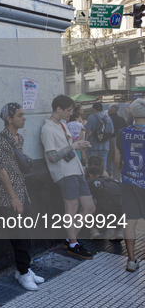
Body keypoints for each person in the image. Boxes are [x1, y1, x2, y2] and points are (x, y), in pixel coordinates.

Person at [0, 103, 44, 291]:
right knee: (19, 237)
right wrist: (13, 198)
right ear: (9, 118)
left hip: (23, 191)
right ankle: (23, 274)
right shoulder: (0, 142)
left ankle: (24, 269)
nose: (24, 118)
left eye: (23, 114)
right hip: (9, 198)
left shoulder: (18, 138)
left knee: (26, 234)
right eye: (20, 115)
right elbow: (1, 171)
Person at [40, 95, 95, 259]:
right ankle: (73, 243)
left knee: (89, 207)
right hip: (64, 173)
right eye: (69, 110)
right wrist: (74, 146)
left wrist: (80, 143)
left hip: (75, 169)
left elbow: (68, 147)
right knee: (71, 208)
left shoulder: (63, 124)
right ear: (59, 109)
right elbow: (51, 156)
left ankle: (70, 239)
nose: (71, 113)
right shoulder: (47, 129)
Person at [114, 98, 145, 272]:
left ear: (132, 114)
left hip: (128, 182)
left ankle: (131, 260)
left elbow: (118, 160)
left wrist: (128, 174)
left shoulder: (122, 133)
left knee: (130, 223)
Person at [85, 102, 114, 167]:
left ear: (94, 109)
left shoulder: (91, 117)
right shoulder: (108, 118)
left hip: (93, 144)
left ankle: (92, 176)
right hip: (105, 145)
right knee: (103, 163)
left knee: (92, 163)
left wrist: (86, 141)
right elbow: (112, 131)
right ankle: (103, 175)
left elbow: (88, 131)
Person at [107, 104, 128, 178]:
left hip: (109, 140)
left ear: (110, 111)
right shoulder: (122, 119)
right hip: (120, 140)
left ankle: (108, 177)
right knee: (118, 160)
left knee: (108, 159)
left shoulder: (107, 119)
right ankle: (117, 178)